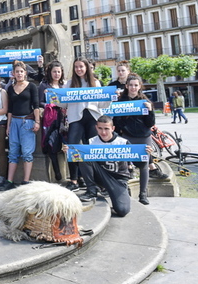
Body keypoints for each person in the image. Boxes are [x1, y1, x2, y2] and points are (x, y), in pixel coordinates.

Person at [58, 57, 108, 191]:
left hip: (92, 117)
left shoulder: (95, 83)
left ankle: (97, 180)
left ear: (86, 67)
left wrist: (110, 98)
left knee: (93, 149)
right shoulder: (69, 84)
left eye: (81, 66)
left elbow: (102, 104)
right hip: (75, 119)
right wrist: (54, 96)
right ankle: (73, 180)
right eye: (76, 67)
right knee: (72, 148)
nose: (79, 69)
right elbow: (63, 104)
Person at [113, 73, 161, 205]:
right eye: (131, 85)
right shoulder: (120, 101)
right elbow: (116, 120)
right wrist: (123, 129)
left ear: (139, 86)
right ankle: (122, 192)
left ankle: (143, 194)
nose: (133, 88)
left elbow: (150, 123)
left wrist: (150, 111)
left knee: (144, 165)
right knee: (123, 164)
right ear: (126, 86)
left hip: (143, 136)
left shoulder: (145, 102)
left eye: (136, 85)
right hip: (127, 136)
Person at [75, 116, 131, 217]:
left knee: (122, 210)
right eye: (100, 128)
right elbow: (80, 163)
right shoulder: (91, 141)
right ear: (96, 128)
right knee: (83, 154)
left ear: (113, 128)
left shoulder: (123, 142)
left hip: (118, 180)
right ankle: (92, 190)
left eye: (106, 129)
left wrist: (147, 155)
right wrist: (70, 153)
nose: (103, 132)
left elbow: (139, 163)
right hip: (100, 175)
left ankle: (115, 194)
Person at [0, 60, 40, 191]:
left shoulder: (32, 86)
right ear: (13, 73)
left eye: (21, 71)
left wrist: (37, 121)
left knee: (27, 153)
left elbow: (36, 105)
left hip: (27, 121)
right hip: (15, 121)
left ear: (25, 73)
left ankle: (25, 181)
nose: (19, 74)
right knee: (13, 152)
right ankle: (10, 180)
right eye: (16, 72)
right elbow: (10, 109)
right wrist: (8, 125)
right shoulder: (10, 88)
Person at [38, 60, 66, 182]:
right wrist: (50, 105)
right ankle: (57, 173)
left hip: (63, 119)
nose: (56, 74)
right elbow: (39, 102)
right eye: (54, 72)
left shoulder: (64, 85)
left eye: (59, 72)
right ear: (50, 72)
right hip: (50, 120)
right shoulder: (44, 86)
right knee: (51, 145)